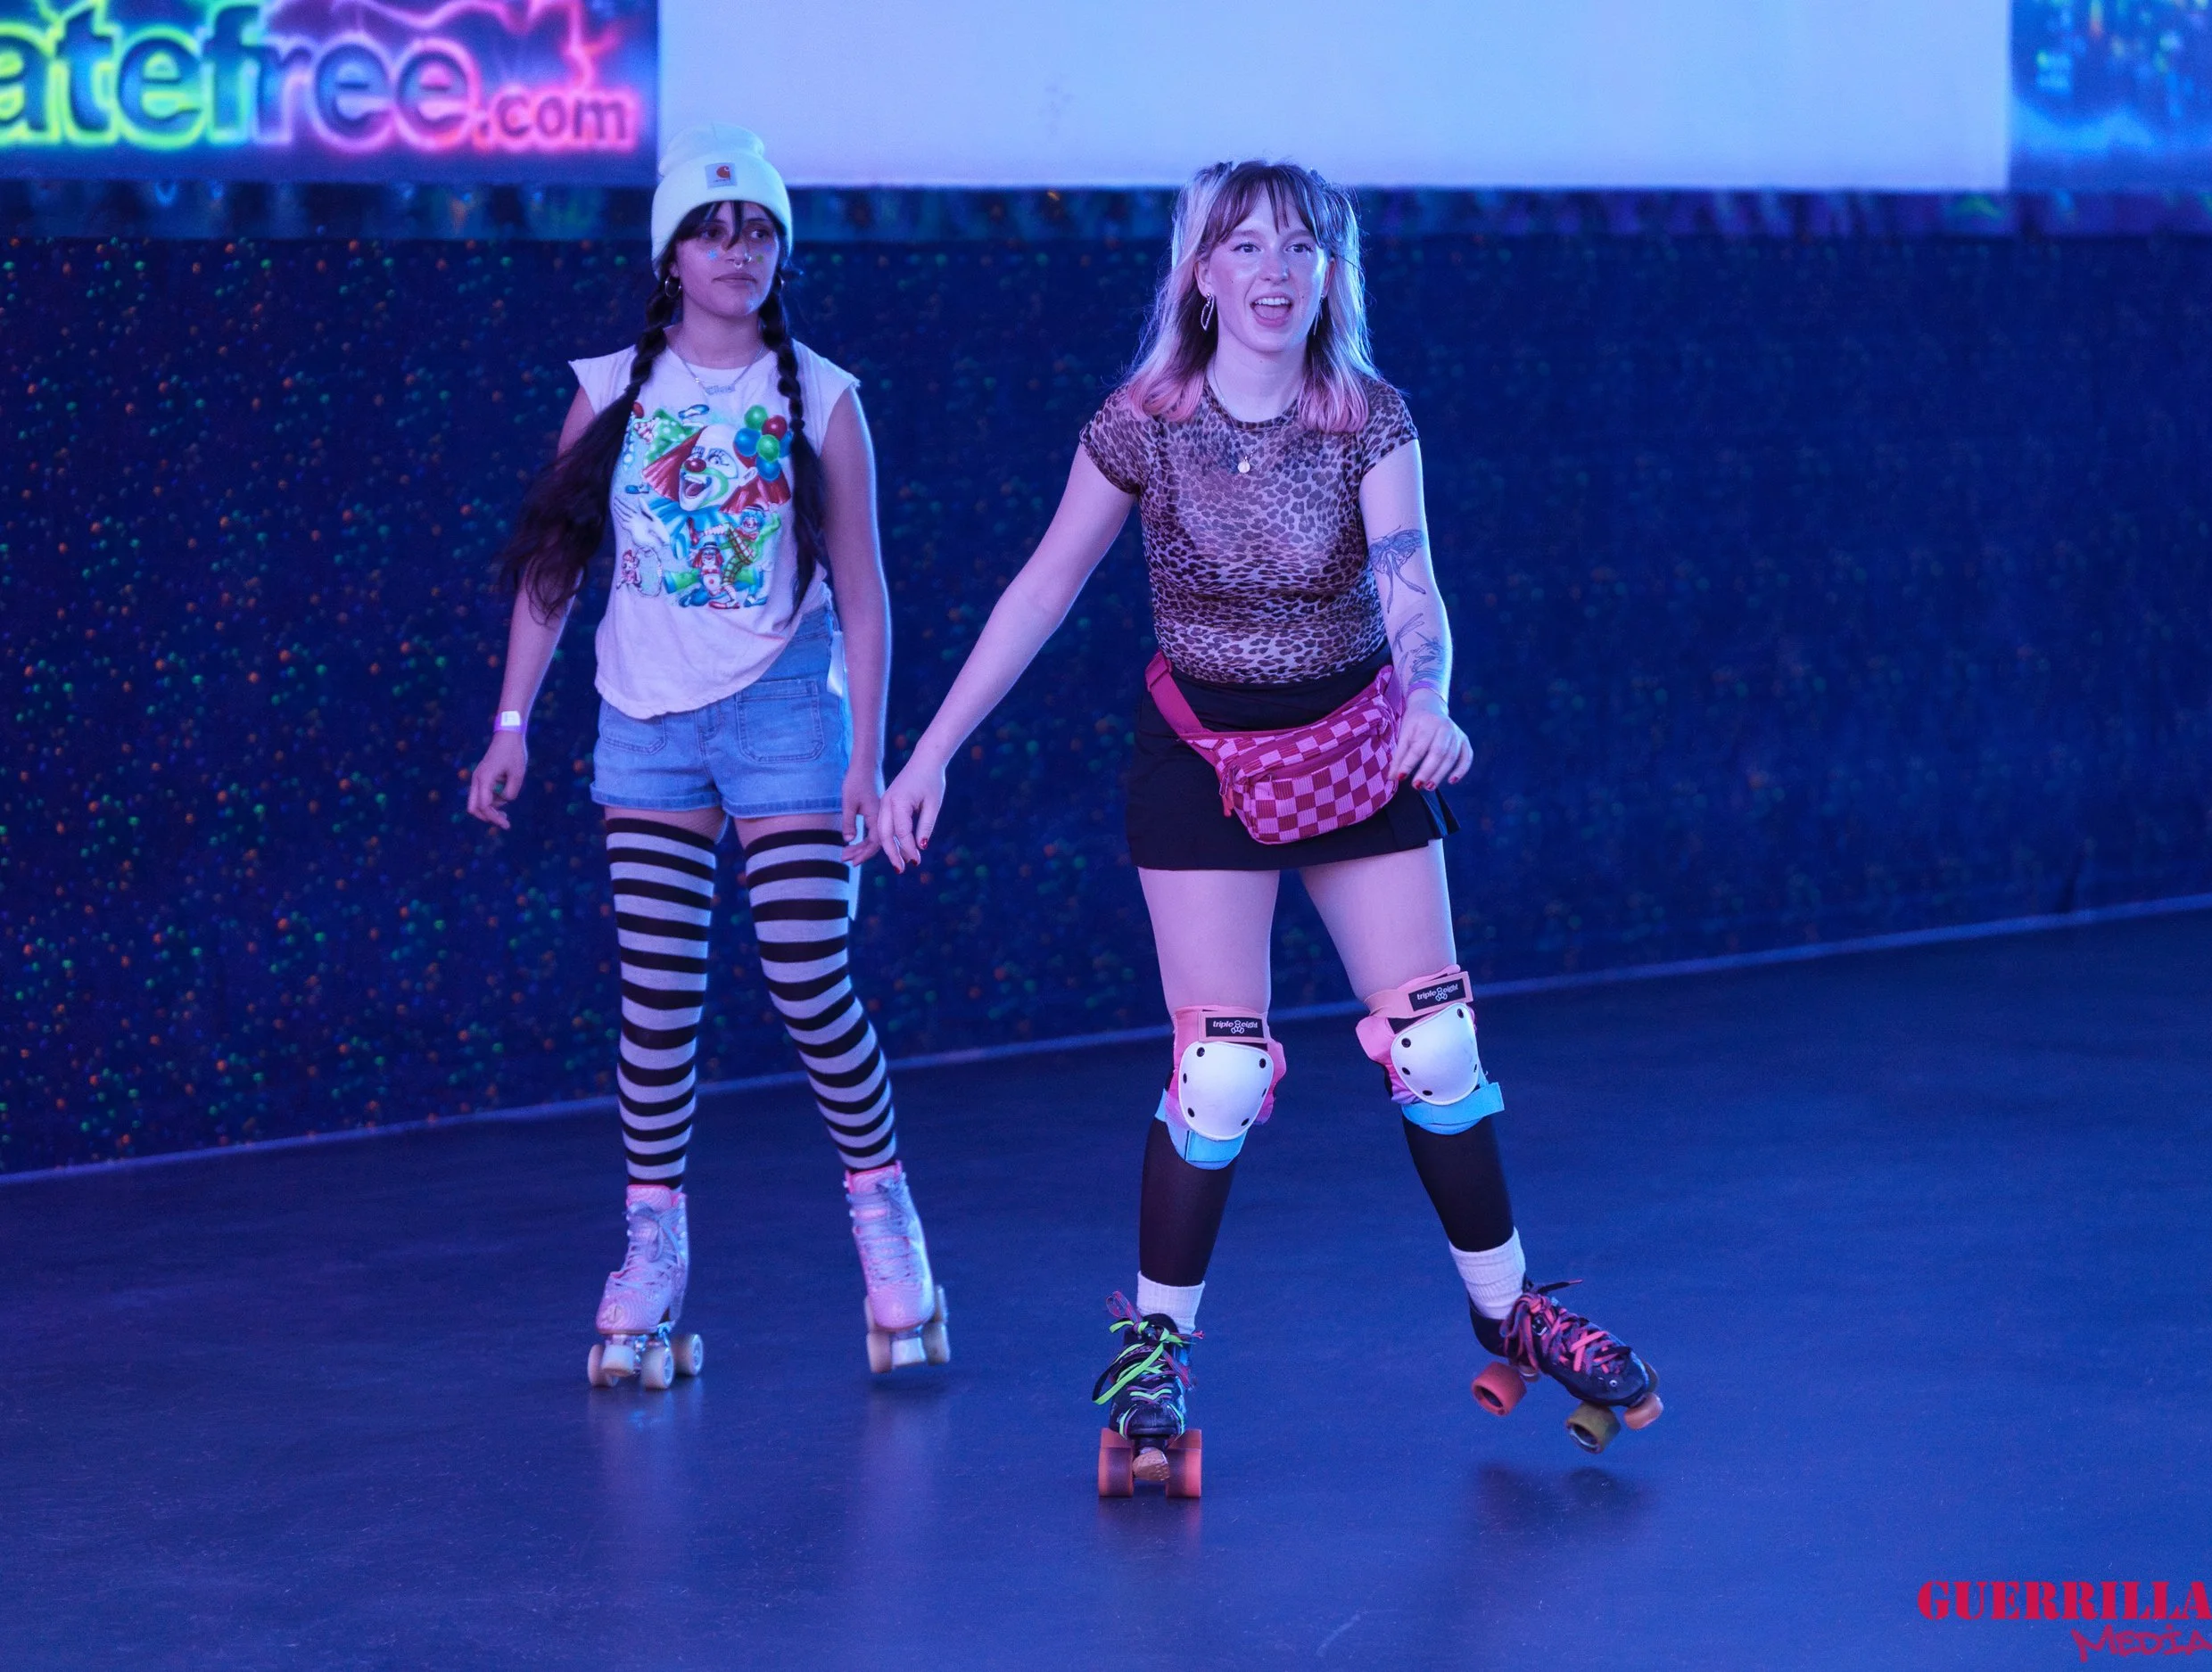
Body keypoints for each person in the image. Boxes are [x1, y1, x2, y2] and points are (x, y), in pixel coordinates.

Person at [877, 161, 1655, 1487]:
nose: (1275, 269)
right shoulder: (1145, 421)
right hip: (1201, 755)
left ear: (1329, 274)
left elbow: (1412, 585)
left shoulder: (1367, 414)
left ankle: (1507, 1300)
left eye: (1302, 246)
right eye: (1244, 245)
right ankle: (1157, 1351)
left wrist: (1433, 700)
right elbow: (1044, 586)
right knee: (1221, 1067)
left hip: (1358, 739)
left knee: (1437, 1037)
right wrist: (930, 748)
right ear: (1201, 270)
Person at [467, 125, 948, 1389]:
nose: (737, 250)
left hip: (789, 710)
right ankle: (653, 1251)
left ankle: (885, 1216)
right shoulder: (610, 388)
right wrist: (513, 722)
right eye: (711, 229)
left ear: (781, 251)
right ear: (669, 255)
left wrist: (870, 758)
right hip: (646, 719)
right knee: (657, 1003)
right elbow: (554, 567)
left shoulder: (826, 397)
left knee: (805, 976)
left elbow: (865, 590)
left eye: (756, 230)